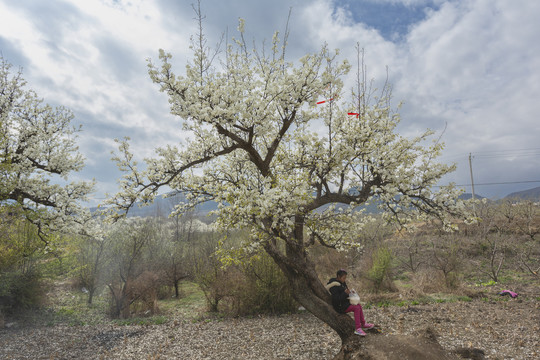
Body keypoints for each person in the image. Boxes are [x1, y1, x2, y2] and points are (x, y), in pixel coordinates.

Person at [326, 269, 374, 336]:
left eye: (345, 278)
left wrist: (350, 292)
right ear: (338, 277)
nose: (344, 279)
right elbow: (336, 299)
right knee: (356, 308)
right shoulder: (333, 286)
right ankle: (358, 329)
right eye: (343, 278)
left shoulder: (342, 282)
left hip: (344, 303)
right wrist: (345, 293)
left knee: (359, 305)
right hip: (339, 306)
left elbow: (345, 291)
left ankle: (363, 324)